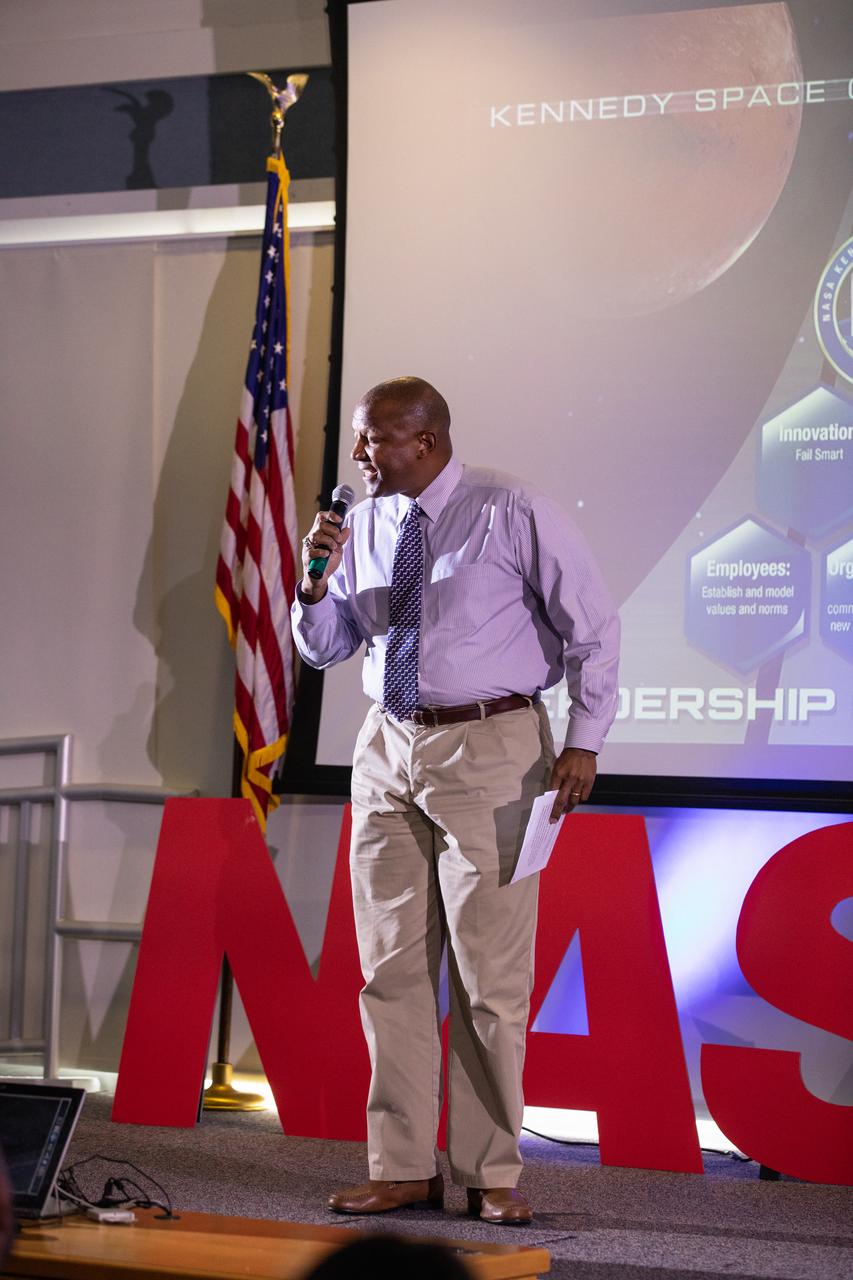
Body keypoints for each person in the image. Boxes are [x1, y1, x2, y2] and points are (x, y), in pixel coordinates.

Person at [291, 376, 619, 1225]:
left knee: (488, 979)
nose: (359, 455)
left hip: (494, 747)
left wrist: (583, 739)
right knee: (389, 972)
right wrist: (313, 586)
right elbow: (329, 649)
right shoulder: (360, 524)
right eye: (360, 440)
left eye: (374, 440)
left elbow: (592, 628)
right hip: (388, 746)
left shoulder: (512, 509)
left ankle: (488, 1174)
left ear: (425, 439)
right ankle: (399, 1167)